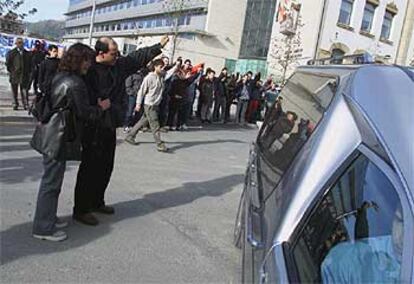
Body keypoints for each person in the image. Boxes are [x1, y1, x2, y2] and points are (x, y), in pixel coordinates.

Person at [73, 36, 169, 226]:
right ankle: (82, 209)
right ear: (101, 53)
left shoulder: (118, 65)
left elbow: (137, 57)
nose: (117, 56)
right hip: (93, 124)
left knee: (106, 166)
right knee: (89, 169)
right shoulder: (88, 68)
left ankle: (97, 201)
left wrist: (158, 46)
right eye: (113, 53)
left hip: (110, 123)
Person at [32, 43, 110, 242]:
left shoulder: (61, 75)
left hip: (52, 133)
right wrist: (101, 108)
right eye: (86, 60)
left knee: (52, 181)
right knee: (51, 183)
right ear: (78, 60)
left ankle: (48, 217)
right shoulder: (75, 83)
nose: (89, 65)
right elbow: (85, 113)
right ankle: (43, 227)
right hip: (56, 137)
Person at [125, 59, 168, 152]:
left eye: (163, 67)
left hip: (155, 104)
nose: (162, 69)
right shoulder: (149, 78)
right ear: (155, 67)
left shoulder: (161, 77)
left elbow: (169, 73)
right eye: (161, 67)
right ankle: (159, 144)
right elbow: (141, 91)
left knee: (142, 121)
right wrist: (138, 104)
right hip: (150, 104)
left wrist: (176, 66)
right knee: (155, 124)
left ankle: (130, 136)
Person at [5, 37, 32, 110]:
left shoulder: (27, 53)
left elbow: (30, 64)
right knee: (14, 91)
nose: (20, 44)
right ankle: (15, 104)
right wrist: (12, 71)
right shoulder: (11, 53)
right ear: (16, 44)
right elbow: (8, 63)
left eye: (22, 43)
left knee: (24, 91)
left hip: (24, 75)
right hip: (15, 75)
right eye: (19, 43)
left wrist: (29, 72)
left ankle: (25, 104)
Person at [123, 69, 146, 133]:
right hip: (132, 96)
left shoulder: (142, 74)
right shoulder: (132, 74)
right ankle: (126, 126)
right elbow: (127, 84)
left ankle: (136, 126)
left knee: (139, 112)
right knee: (129, 111)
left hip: (140, 95)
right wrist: (132, 93)